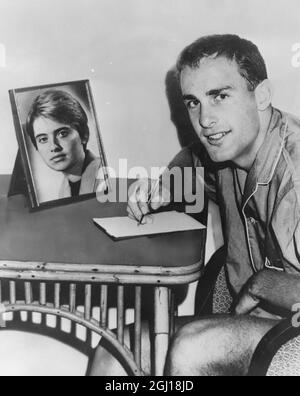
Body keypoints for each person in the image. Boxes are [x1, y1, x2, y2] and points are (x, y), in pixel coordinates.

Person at [90, 34, 300, 376]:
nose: (204, 119)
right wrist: (165, 186)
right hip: (252, 322)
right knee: (116, 348)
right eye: (193, 102)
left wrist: (263, 283)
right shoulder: (229, 148)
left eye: (219, 96)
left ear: (261, 95)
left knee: (192, 346)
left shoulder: (294, 175)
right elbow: (193, 158)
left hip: (292, 332)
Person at [26, 89, 101, 198]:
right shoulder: (63, 190)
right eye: (43, 139)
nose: (54, 147)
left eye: (62, 133)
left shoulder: (106, 176)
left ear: (84, 134)